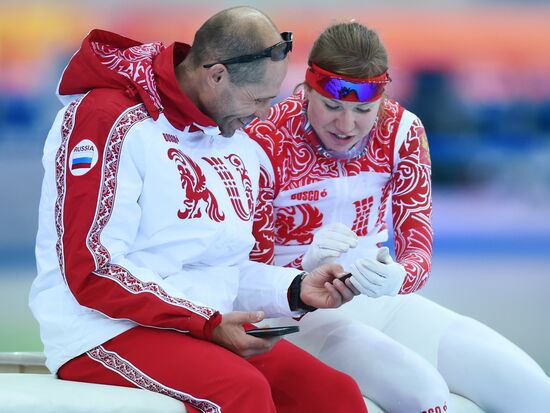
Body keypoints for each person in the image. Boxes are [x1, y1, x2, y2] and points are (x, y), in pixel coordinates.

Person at [29, 8, 369, 413]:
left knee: (333, 394)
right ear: (217, 74)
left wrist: (295, 288)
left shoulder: (234, 141)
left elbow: (223, 268)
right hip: (101, 329)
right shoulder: (107, 120)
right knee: (241, 392)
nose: (263, 114)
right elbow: (92, 268)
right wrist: (205, 322)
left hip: (198, 325)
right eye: (257, 99)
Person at [246, 21, 550, 413]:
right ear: (306, 90)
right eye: (332, 106)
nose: (346, 125)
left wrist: (400, 276)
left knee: (534, 394)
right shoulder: (265, 138)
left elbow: (418, 243)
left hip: (378, 300)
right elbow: (242, 268)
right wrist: (300, 274)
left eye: (363, 110)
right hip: (295, 314)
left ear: (383, 100)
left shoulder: (402, 131)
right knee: (427, 396)